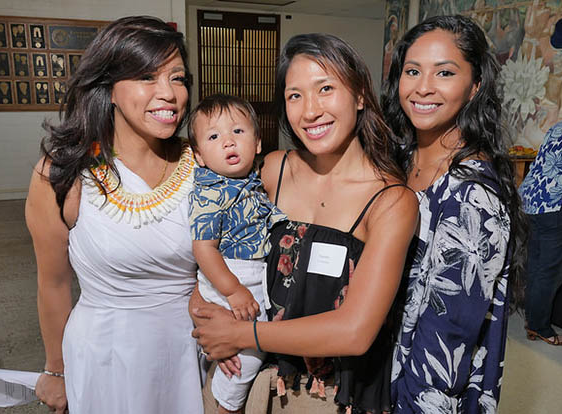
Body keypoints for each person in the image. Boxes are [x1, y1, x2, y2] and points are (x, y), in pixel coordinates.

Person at [191, 33, 419, 413]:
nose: (310, 111)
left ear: (360, 95)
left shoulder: (392, 202)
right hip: (241, 367)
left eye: (325, 88)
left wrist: (241, 332)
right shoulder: (271, 170)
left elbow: (355, 332)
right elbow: (213, 236)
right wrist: (202, 308)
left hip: (324, 395)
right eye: (295, 95)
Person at [25, 16, 204, 413]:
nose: (169, 94)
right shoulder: (63, 173)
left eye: (178, 79)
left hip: (193, 350)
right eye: (146, 77)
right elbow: (52, 285)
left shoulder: (205, 163)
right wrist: (56, 371)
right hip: (106, 354)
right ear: (109, 90)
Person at [380, 15, 528, 413]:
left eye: (444, 72)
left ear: (475, 85)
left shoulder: (473, 197)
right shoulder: (401, 158)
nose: (423, 87)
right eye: (413, 71)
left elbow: (445, 347)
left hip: (415, 394)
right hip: (378, 372)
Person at [187, 93, 286, 413]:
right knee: (250, 353)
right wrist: (233, 291)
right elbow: (204, 249)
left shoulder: (251, 181)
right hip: (230, 275)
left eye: (238, 132)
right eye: (214, 136)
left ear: (257, 143)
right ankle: (227, 404)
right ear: (200, 156)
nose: (228, 142)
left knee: (255, 338)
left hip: (252, 274)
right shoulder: (209, 193)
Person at [519, 113, 562, 346]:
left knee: (536, 266)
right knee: (550, 272)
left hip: (532, 201)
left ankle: (532, 319)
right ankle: (540, 326)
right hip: (559, 205)